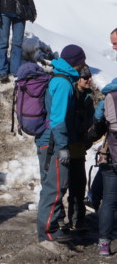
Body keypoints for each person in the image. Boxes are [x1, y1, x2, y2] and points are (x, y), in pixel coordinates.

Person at [35, 44, 86, 242]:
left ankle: (52, 228)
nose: (83, 65)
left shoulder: (57, 78)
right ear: (75, 62)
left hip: (48, 140)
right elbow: (58, 119)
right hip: (55, 142)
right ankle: (48, 233)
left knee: (51, 184)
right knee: (55, 187)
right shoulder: (64, 84)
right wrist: (63, 147)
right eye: (82, 61)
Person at [88, 77, 117, 256]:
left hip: (112, 156)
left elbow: (97, 124)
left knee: (109, 200)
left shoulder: (108, 98)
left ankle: (104, 244)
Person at [65, 65, 94, 231]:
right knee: (67, 185)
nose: (89, 80)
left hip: (79, 147)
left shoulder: (88, 97)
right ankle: (68, 219)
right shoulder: (71, 95)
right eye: (86, 77)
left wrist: (87, 140)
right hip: (68, 146)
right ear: (78, 79)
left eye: (89, 77)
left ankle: (78, 219)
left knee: (79, 184)